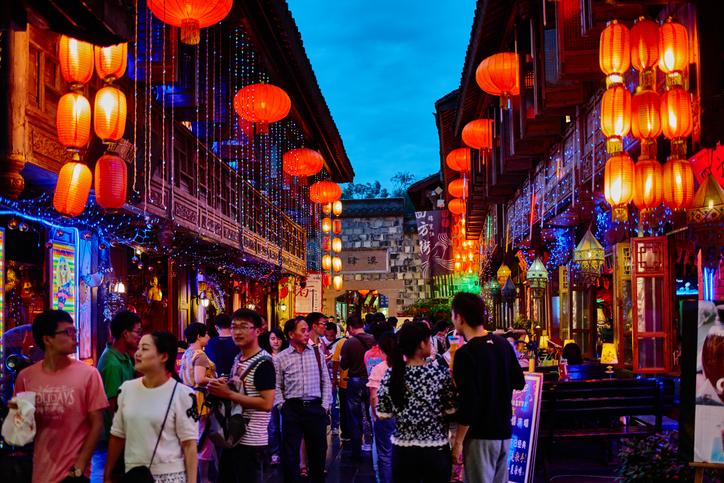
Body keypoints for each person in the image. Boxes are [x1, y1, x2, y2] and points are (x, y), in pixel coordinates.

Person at [13, 310, 107, 483]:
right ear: (47, 339)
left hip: (75, 475)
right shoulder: (26, 377)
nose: (74, 336)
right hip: (42, 472)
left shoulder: (89, 374)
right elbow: (20, 431)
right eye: (67, 332)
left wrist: (80, 465)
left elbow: (97, 424)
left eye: (74, 331)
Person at [450, 292, 525, 483]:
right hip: (504, 433)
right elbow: (519, 381)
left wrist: (458, 441)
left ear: (460, 318)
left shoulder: (465, 354)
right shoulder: (503, 345)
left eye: (453, 315)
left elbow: (469, 402)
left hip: (480, 436)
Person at [105, 331, 198, 483]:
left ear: (164, 356)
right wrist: (107, 475)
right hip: (135, 476)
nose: (138, 353)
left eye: (145, 348)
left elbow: (189, 445)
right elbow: (117, 435)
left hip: (170, 477)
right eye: (138, 348)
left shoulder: (183, 394)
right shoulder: (126, 389)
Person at [377, 322, 456, 483]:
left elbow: (383, 413)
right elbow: (451, 410)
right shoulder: (439, 374)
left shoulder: (392, 374)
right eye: (429, 341)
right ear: (421, 344)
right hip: (436, 449)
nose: (431, 344)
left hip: (403, 450)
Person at [207, 309, 276, 483]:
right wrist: (224, 385)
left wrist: (228, 393)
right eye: (233, 327)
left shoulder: (263, 363)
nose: (237, 332)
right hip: (234, 436)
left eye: (244, 327)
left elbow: (267, 403)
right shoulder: (239, 358)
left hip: (251, 441)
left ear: (258, 331)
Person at [274, 317, 332, 483]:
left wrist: (324, 406)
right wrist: (282, 406)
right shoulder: (281, 358)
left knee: (318, 452)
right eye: (303, 330)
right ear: (291, 334)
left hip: (315, 408)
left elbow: (325, 381)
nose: (307, 334)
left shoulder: (316, 353)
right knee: (290, 453)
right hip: (292, 408)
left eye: (307, 330)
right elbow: (277, 385)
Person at [95, 311, 142, 479]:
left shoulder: (124, 356)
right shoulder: (112, 363)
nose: (139, 336)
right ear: (125, 333)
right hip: (117, 435)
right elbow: (112, 405)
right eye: (137, 332)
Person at [179, 322, 216, 483]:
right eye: (206, 334)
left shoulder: (187, 353)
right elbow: (200, 379)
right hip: (199, 399)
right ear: (199, 336)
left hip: (187, 396)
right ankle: (204, 477)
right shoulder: (200, 355)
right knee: (203, 438)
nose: (208, 336)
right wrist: (217, 380)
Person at [340, 314, 375, 459]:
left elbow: (344, 365)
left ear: (349, 327)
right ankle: (371, 445)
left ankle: (356, 450)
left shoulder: (349, 343)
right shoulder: (373, 340)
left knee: (355, 417)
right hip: (371, 380)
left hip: (355, 381)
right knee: (371, 414)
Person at [367, 331, 396, 483]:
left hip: (385, 415)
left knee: (385, 454)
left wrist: (375, 414)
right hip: (404, 415)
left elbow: (374, 396)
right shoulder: (407, 364)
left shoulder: (379, 368)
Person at [260, 326, 288, 465]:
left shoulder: (287, 355)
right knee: (272, 426)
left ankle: (285, 452)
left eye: (278, 339)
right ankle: (275, 452)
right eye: (272, 339)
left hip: (286, 395)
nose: (276, 342)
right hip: (270, 395)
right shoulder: (264, 356)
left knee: (285, 426)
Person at [331, 324, 349, 439]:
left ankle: (346, 433)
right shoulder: (368, 340)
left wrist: (334, 378)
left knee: (344, 408)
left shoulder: (341, 342)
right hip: (362, 382)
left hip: (344, 381)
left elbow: (335, 361)